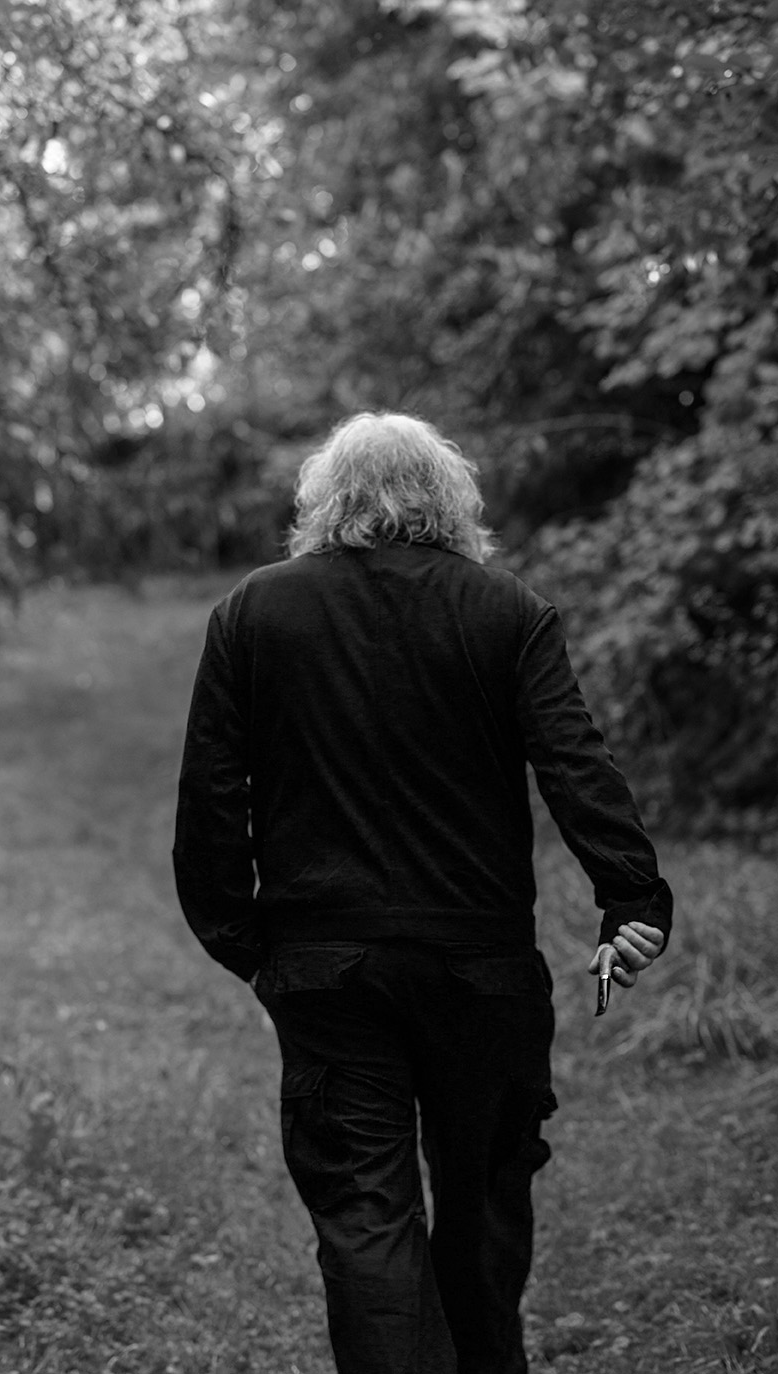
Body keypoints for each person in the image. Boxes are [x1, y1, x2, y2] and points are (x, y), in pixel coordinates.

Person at [172, 412, 672, 1374]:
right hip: (481, 969)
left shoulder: (254, 612)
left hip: (325, 967)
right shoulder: (505, 610)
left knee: (365, 1215)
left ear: (326, 502)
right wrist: (633, 901)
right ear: (450, 501)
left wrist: (247, 943)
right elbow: (578, 766)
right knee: (484, 1200)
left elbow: (209, 799)